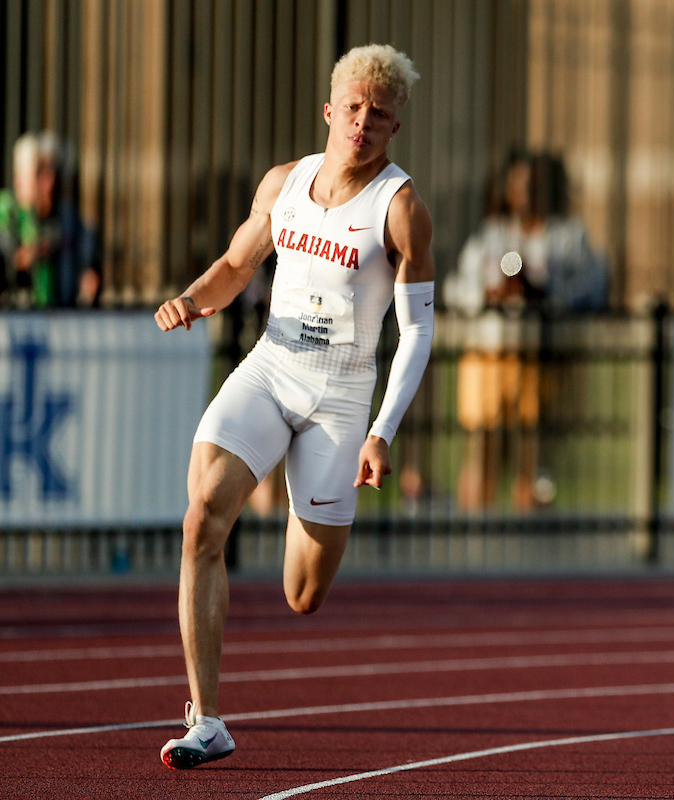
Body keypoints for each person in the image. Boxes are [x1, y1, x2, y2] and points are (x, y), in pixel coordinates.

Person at [153, 43, 434, 768]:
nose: (362, 124)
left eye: (379, 113)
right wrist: (191, 300)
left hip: (339, 400)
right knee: (201, 518)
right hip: (271, 369)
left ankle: (300, 483)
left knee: (302, 595)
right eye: (353, 109)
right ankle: (207, 719)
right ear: (328, 111)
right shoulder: (286, 182)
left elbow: (420, 332)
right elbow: (236, 266)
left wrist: (380, 433)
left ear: (396, 125)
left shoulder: (400, 210)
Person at [444, 151, 608, 511]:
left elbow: (593, 287)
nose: (526, 194)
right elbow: (455, 287)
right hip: (488, 351)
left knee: (533, 449)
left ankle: (529, 523)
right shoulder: (491, 234)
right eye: (518, 186)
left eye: (534, 186)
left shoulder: (569, 236)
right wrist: (489, 294)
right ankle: (475, 519)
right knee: (482, 444)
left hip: (539, 354)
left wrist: (544, 293)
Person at [0, 131, 100, 308]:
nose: (50, 182)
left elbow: (88, 263)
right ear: (20, 179)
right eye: (40, 173)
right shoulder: (7, 211)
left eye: (54, 172)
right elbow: (15, 258)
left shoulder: (68, 217)